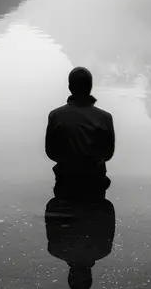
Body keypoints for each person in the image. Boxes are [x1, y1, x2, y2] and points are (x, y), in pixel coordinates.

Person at [45, 67, 115, 202]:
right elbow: (108, 154)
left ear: (70, 87)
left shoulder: (56, 116)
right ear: (90, 86)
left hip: (65, 181)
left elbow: (51, 152)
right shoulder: (104, 118)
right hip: (95, 182)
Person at [45, 196, 116, 289]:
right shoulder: (55, 250)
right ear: (70, 275)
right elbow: (52, 207)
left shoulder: (103, 250)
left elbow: (108, 208)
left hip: (94, 191)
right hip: (66, 191)